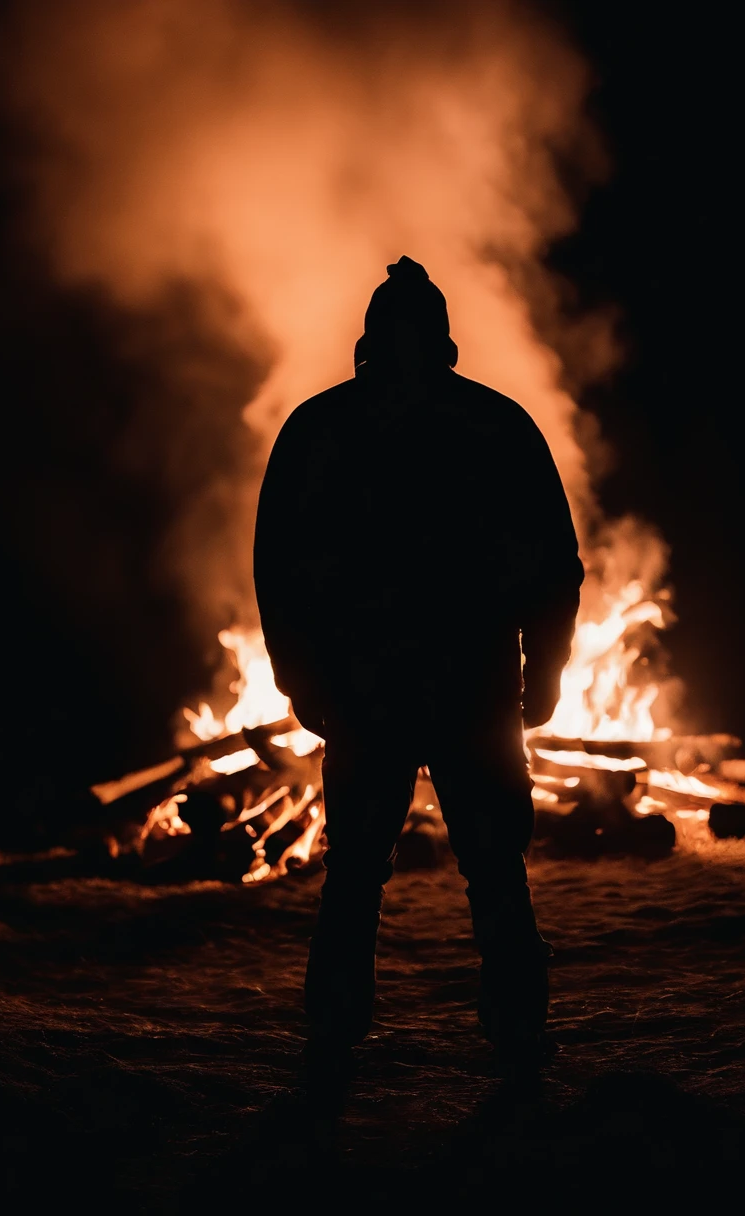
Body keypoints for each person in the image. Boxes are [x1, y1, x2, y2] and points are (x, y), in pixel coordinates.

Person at [253, 256, 583, 1075]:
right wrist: (542, 671)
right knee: (494, 867)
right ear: (445, 341)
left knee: (356, 873)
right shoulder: (497, 425)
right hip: (471, 685)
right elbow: (554, 565)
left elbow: (279, 568)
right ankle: (514, 1031)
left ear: (369, 339)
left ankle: (333, 1035)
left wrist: (304, 677)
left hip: (368, 688)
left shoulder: (321, 428)